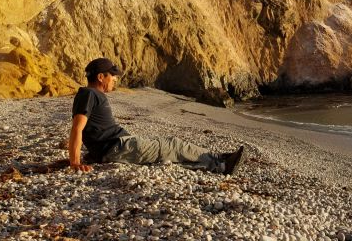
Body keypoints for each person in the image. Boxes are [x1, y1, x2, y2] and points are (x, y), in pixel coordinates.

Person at [68, 57, 244, 175]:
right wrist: (75, 163)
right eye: (112, 76)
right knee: (173, 145)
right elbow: (78, 128)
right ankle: (221, 163)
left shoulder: (90, 95)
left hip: (116, 147)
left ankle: (219, 159)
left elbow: (87, 130)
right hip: (118, 147)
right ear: (100, 77)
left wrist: (90, 154)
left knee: (170, 155)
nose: (115, 79)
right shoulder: (90, 94)